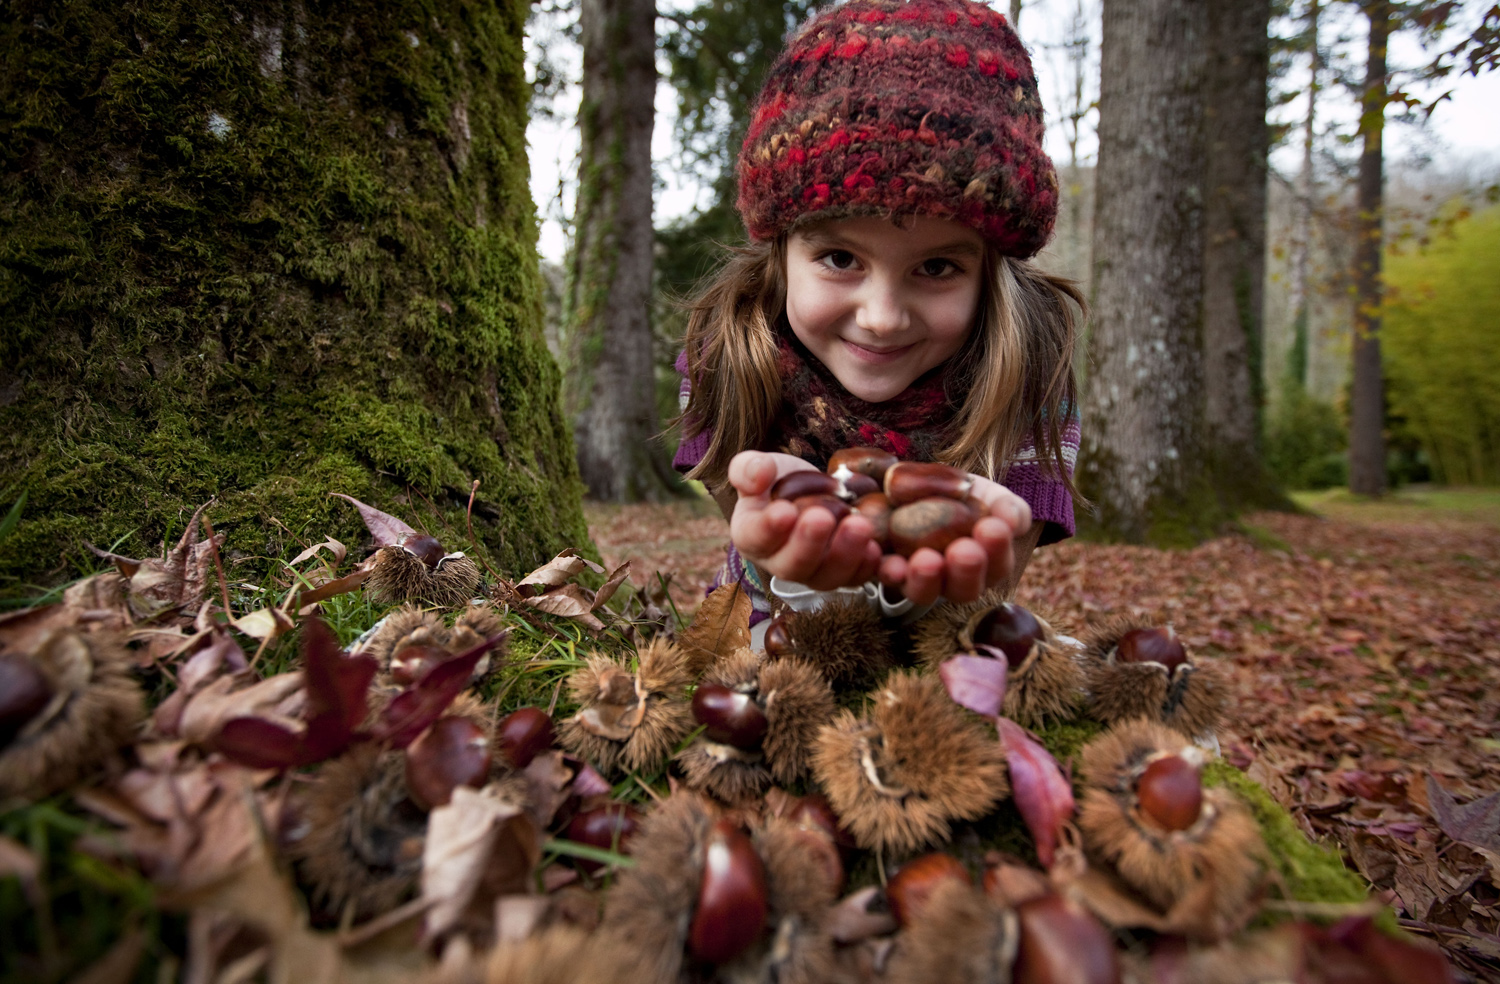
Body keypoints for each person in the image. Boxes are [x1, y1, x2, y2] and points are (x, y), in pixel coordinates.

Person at [673, 0, 1083, 641]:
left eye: (938, 268)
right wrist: (784, 560)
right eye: (840, 258)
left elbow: (983, 597)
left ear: (988, 270)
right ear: (782, 253)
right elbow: (744, 532)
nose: (883, 318)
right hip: (756, 652)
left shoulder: (1029, 379)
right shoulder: (727, 359)